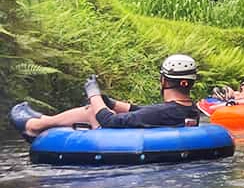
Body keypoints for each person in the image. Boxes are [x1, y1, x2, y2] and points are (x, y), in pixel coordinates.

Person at [9, 54, 202, 141]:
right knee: (98, 106)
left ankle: (34, 126)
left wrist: (93, 93)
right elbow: (146, 112)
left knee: (93, 109)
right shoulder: (189, 109)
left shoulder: (166, 111)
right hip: (155, 134)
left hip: (111, 137)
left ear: (163, 80)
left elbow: (109, 120)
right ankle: (42, 122)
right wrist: (110, 102)